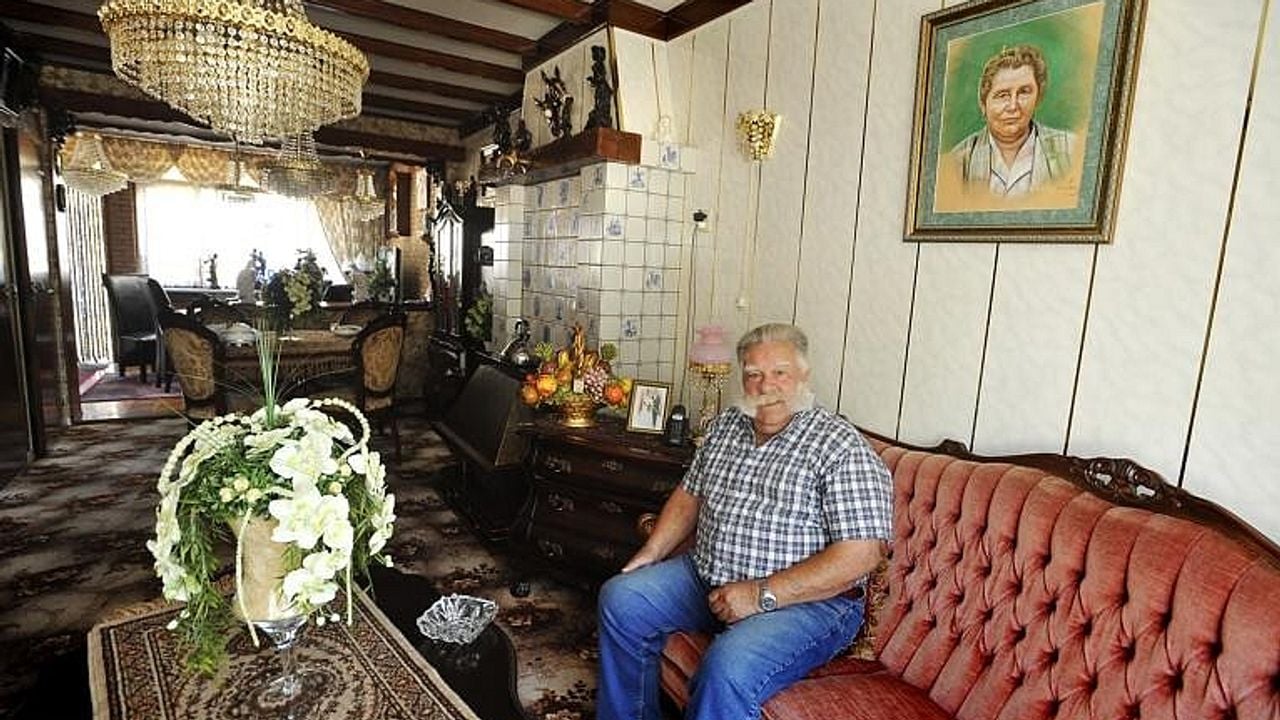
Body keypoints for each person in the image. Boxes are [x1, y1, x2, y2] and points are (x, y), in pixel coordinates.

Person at [597, 323, 893, 720]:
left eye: (780, 372)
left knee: (727, 668)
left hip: (806, 604)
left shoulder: (839, 446)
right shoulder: (725, 427)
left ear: (804, 375)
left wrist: (760, 594)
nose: (765, 385)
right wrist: (652, 551)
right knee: (621, 599)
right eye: (753, 373)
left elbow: (862, 554)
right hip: (707, 577)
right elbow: (690, 494)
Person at [947, 44, 1077, 198]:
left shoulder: (1072, 150)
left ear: (1038, 98)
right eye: (1002, 95)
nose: (1013, 106)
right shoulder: (956, 163)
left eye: (1024, 92)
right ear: (983, 104)